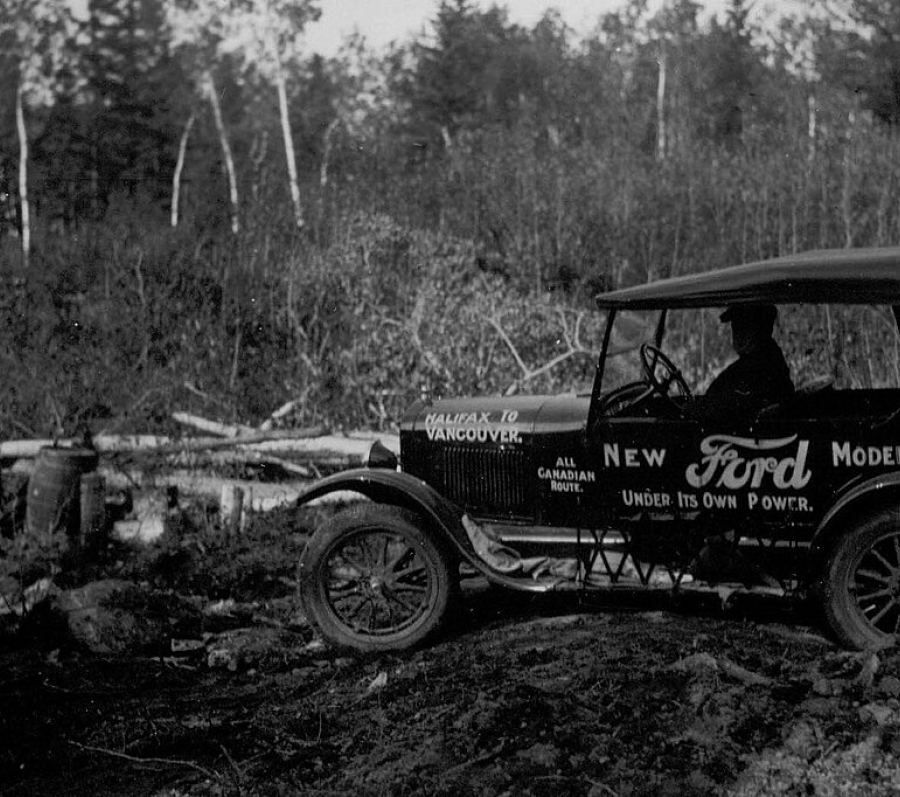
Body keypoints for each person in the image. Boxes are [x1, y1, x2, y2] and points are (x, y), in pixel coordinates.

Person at [697, 303, 793, 422]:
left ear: (763, 329)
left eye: (746, 327)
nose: (738, 334)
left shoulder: (768, 369)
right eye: (735, 326)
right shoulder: (745, 366)